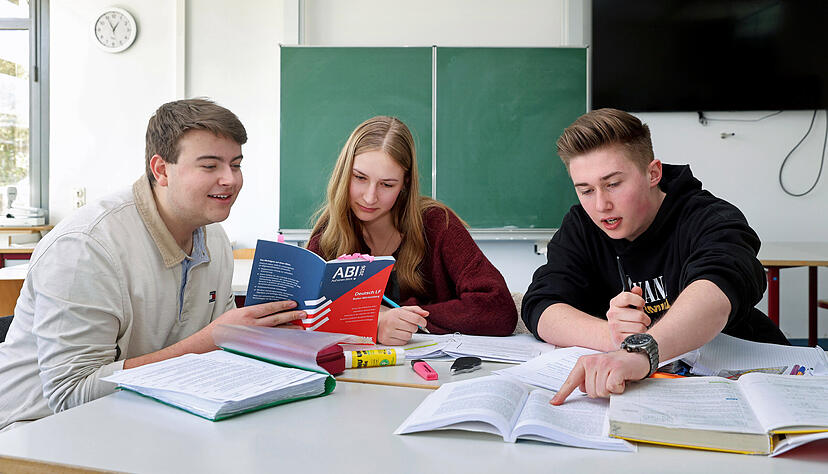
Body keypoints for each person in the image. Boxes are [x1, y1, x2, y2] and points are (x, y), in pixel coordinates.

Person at [0, 99, 303, 431]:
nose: (230, 179)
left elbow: (222, 355)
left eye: (236, 164)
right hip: (38, 433)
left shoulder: (214, 236)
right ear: (161, 170)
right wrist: (214, 340)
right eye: (210, 165)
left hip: (145, 419)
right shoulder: (86, 247)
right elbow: (72, 395)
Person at [521, 108, 788, 403]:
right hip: (647, 390)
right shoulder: (581, 227)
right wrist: (614, 336)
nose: (601, 205)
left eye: (613, 184)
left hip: (750, 383)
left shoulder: (708, 217)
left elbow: (718, 286)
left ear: (653, 173)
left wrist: (641, 350)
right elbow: (542, 306)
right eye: (585, 190)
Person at [307, 116, 517, 345]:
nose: (369, 197)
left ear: (405, 183)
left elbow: (499, 309)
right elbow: (308, 315)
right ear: (344, 172)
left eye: (387, 184)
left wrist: (404, 319)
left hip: (434, 374)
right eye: (359, 178)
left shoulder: (438, 224)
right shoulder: (328, 232)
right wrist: (375, 323)